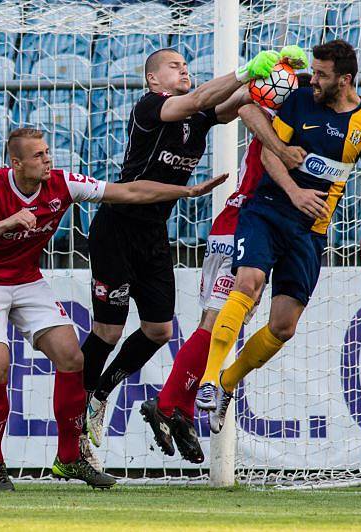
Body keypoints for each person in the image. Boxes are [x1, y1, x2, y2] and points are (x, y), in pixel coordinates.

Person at [0, 127, 227, 491]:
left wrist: (187, 191)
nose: (48, 159)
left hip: (26, 280)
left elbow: (129, 191)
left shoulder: (64, 184)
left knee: (72, 358)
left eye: (48, 151)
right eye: (38, 156)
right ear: (15, 163)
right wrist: (7, 222)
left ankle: (69, 459)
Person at [81, 46, 309, 454]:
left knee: (158, 330)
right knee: (109, 331)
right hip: (117, 225)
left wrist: (283, 74)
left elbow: (239, 100)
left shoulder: (198, 117)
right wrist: (244, 69)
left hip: (153, 233)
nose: (184, 70)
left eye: (187, 65)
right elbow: (204, 97)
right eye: (174, 66)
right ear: (153, 79)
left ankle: (101, 395)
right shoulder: (151, 108)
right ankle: (78, 409)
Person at [195, 40, 361, 416]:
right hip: (266, 210)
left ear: (345, 80)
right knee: (247, 284)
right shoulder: (299, 101)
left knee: (283, 327)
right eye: (313, 71)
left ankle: (226, 384)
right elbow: (269, 151)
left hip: (311, 231)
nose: (312, 79)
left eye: (321, 75)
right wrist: (295, 191)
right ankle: (207, 380)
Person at [141, 73, 313, 463]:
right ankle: (168, 404)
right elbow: (246, 104)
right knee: (217, 321)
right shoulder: (282, 125)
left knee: (226, 322)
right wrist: (262, 73)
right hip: (241, 225)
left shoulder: (289, 124)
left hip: (247, 227)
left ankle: (180, 408)